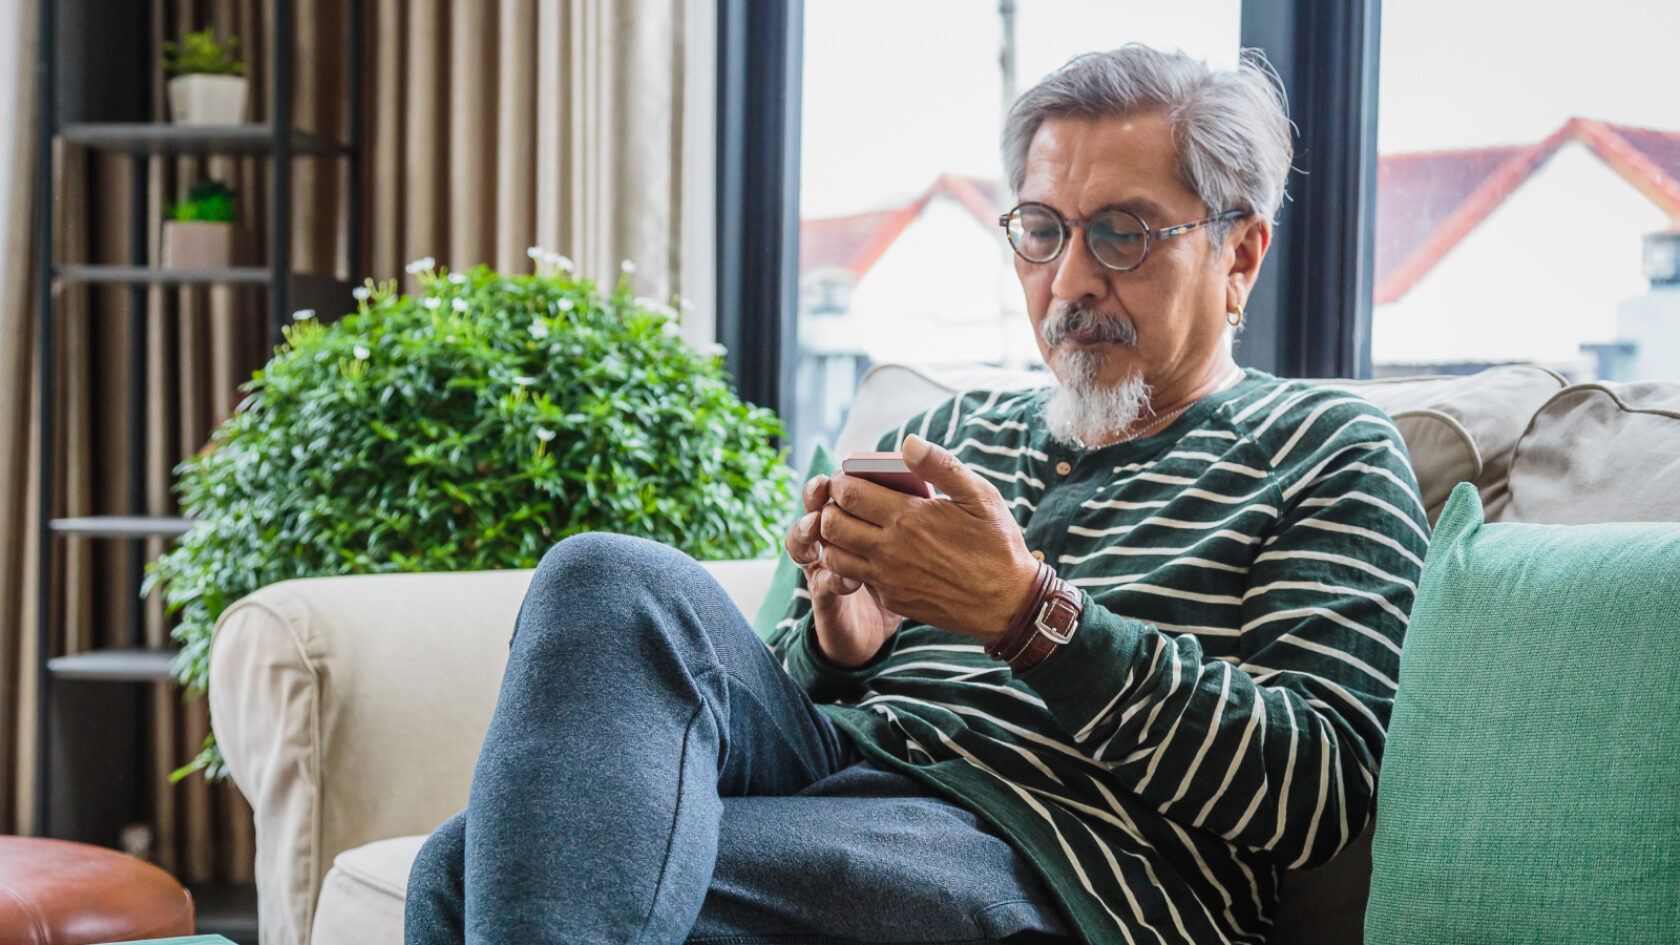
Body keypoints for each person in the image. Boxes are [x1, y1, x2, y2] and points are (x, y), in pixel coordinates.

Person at [405, 44, 1429, 945]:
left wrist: (1030, 617)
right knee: (605, 576)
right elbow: (740, 719)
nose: (1069, 279)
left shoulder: (1327, 449)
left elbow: (1321, 790)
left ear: (1239, 254)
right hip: (841, 789)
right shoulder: (952, 434)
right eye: (1040, 230)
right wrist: (840, 644)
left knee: (466, 872)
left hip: (1061, 866)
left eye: (1122, 233)